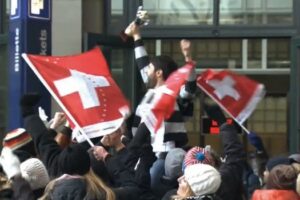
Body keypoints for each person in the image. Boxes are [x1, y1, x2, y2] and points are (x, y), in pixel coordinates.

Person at [124, 16, 197, 193]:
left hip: (165, 157)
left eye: (150, 68)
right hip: (149, 154)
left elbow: (190, 88)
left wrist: (188, 58)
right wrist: (136, 37)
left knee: (153, 190)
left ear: (158, 73)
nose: (145, 71)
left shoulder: (171, 93)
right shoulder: (152, 93)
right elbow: (142, 64)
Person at [20, 94, 116, 200]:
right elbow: (132, 189)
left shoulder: (50, 189)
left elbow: (43, 140)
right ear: (88, 166)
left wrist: (28, 113)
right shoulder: (103, 195)